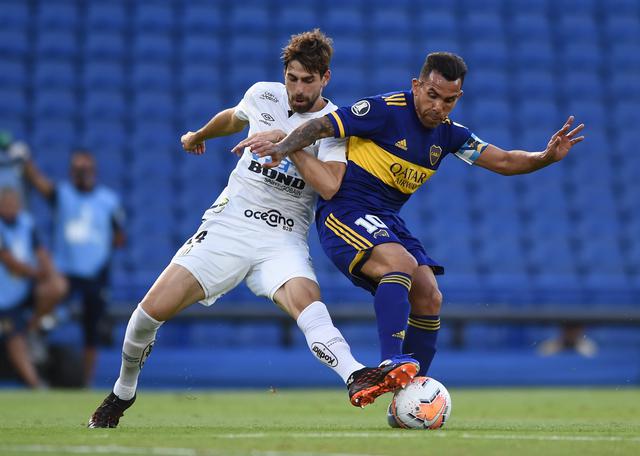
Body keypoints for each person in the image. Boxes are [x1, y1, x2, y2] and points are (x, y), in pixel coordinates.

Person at [87, 29, 417, 429]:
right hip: (230, 226)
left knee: (308, 303)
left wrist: (288, 141)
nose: (297, 89)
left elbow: (331, 184)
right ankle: (123, 390)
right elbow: (234, 116)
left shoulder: (333, 125)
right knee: (145, 316)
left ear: (325, 78)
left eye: (307, 81)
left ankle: (354, 375)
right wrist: (198, 135)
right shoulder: (264, 94)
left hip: (283, 238)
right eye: (292, 78)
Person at [242, 51, 586, 380]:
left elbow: (506, 161)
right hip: (345, 212)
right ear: (416, 85)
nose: (438, 107)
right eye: (432, 95)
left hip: (386, 219)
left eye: (448, 100)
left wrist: (545, 157)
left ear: (458, 97)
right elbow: (319, 126)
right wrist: (283, 146)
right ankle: (391, 360)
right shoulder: (383, 110)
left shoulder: (451, 134)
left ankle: (411, 389)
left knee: (429, 294)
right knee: (400, 263)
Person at [23, 150, 126, 386]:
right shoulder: (64, 194)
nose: (83, 174)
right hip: (65, 271)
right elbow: (41, 185)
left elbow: (119, 236)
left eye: (86, 169)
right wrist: (26, 161)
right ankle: (34, 340)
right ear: (71, 173)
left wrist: (99, 246)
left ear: (94, 172)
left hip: (95, 274)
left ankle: (86, 383)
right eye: (78, 170)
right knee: (49, 302)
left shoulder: (108, 200)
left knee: (92, 331)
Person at [0, 187, 66, 388]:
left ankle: (32, 328)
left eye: (13, 204)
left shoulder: (26, 223)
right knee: (14, 338)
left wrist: (50, 274)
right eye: (6, 204)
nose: (11, 208)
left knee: (56, 287)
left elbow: (41, 252)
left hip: (23, 289)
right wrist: (37, 274)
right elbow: (8, 259)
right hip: (4, 295)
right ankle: (35, 384)